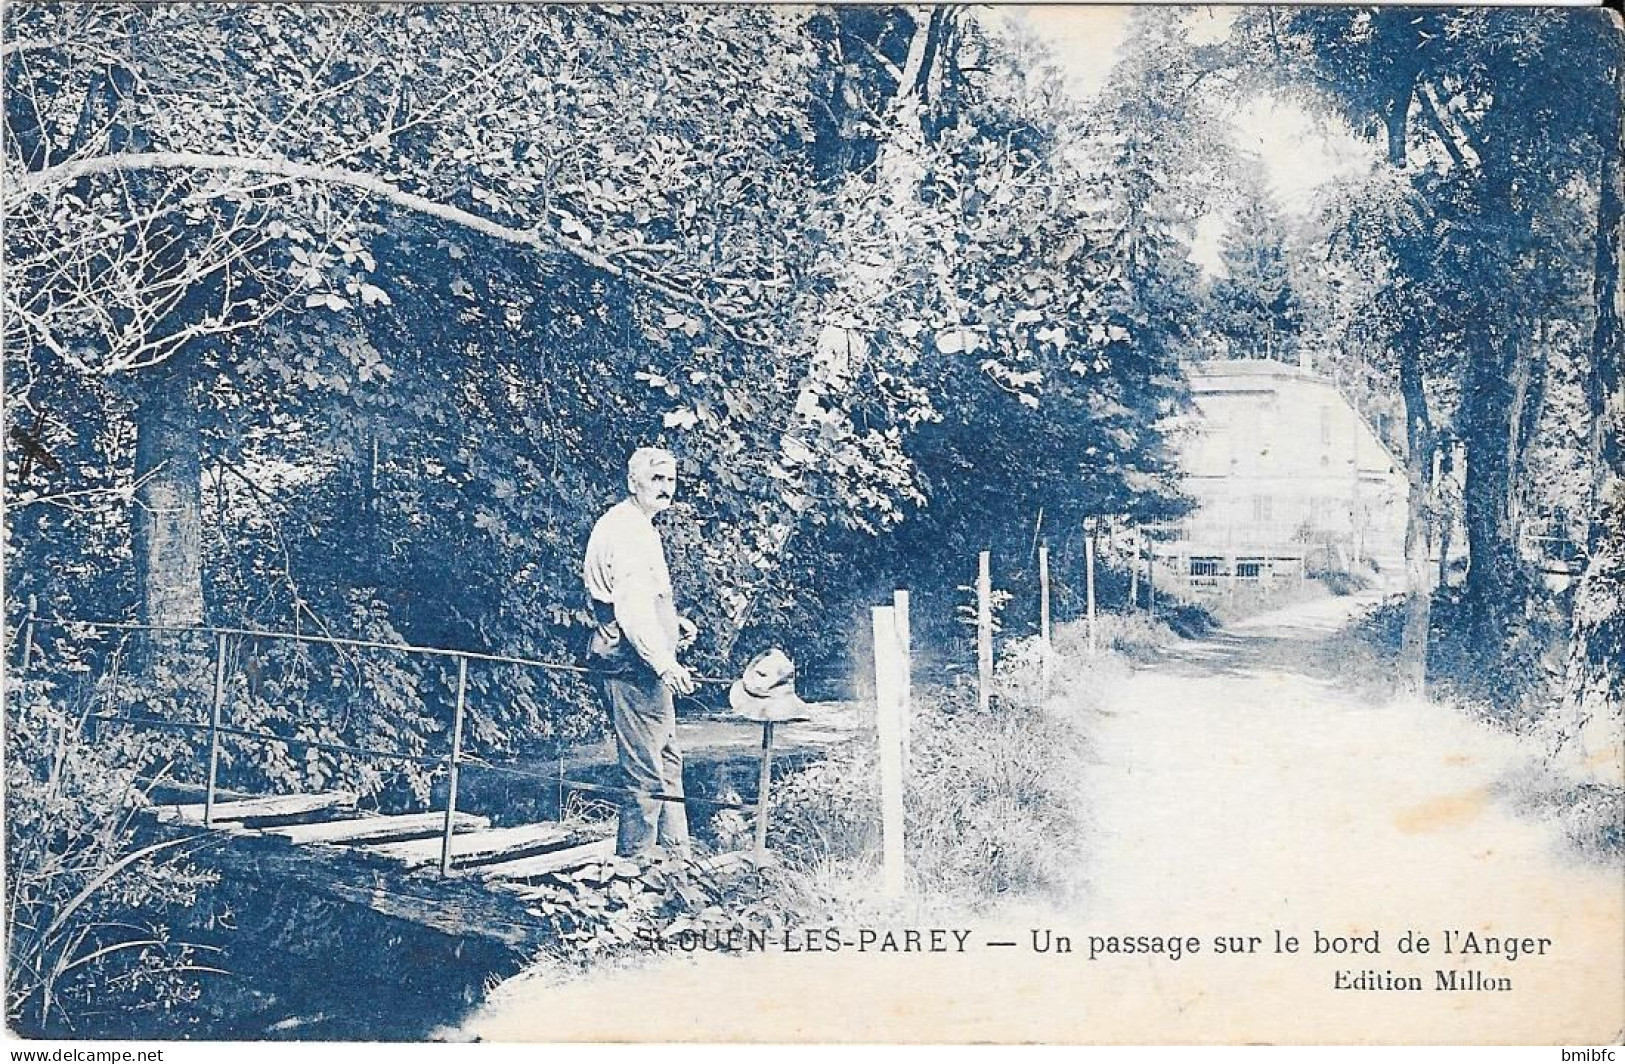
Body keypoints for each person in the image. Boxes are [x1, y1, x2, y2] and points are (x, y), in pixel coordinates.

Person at [582, 447, 698, 857]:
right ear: (634, 483)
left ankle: (676, 859)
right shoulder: (627, 531)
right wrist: (665, 662)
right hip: (631, 667)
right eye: (656, 479)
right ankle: (636, 872)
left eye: (670, 479)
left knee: (667, 762)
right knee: (646, 773)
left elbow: (642, 598)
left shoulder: (639, 525)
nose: (665, 488)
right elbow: (629, 610)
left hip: (640, 664)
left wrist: (673, 624)